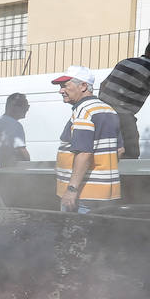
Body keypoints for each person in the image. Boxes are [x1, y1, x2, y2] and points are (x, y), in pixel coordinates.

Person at [53, 65, 121, 214]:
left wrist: (71, 189)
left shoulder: (83, 111)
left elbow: (84, 153)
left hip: (83, 194)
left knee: (76, 235)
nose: (61, 90)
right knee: (98, 236)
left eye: (65, 85)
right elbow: (120, 150)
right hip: (105, 194)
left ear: (83, 86)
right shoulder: (109, 110)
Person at [0, 92, 31, 167]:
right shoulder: (14, 124)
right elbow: (22, 151)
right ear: (13, 106)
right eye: (25, 105)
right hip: (6, 172)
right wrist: (29, 166)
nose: (27, 109)